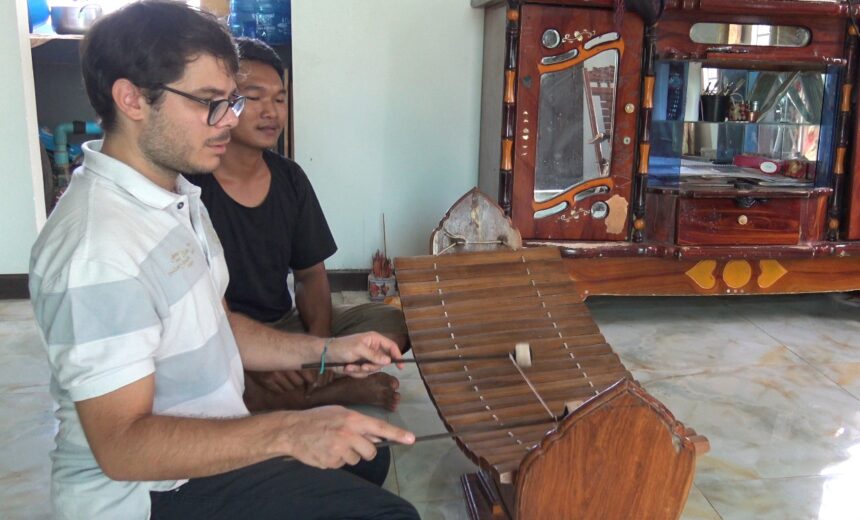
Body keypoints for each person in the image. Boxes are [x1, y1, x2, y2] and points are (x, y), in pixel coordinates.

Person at [27, 2, 419, 519]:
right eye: (211, 102)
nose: (230, 120)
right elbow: (122, 447)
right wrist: (288, 430)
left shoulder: (176, 197)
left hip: (206, 435)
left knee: (367, 461)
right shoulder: (96, 249)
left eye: (232, 100)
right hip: (153, 491)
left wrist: (326, 349)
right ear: (132, 99)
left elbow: (217, 323)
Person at [188, 37, 407, 413]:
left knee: (393, 323)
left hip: (285, 323)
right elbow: (200, 313)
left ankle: (306, 387)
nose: (271, 111)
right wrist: (254, 363)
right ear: (224, 103)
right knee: (217, 381)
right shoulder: (192, 187)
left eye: (280, 98)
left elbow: (310, 276)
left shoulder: (289, 177)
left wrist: (318, 349)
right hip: (224, 334)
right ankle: (331, 393)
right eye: (254, 97)